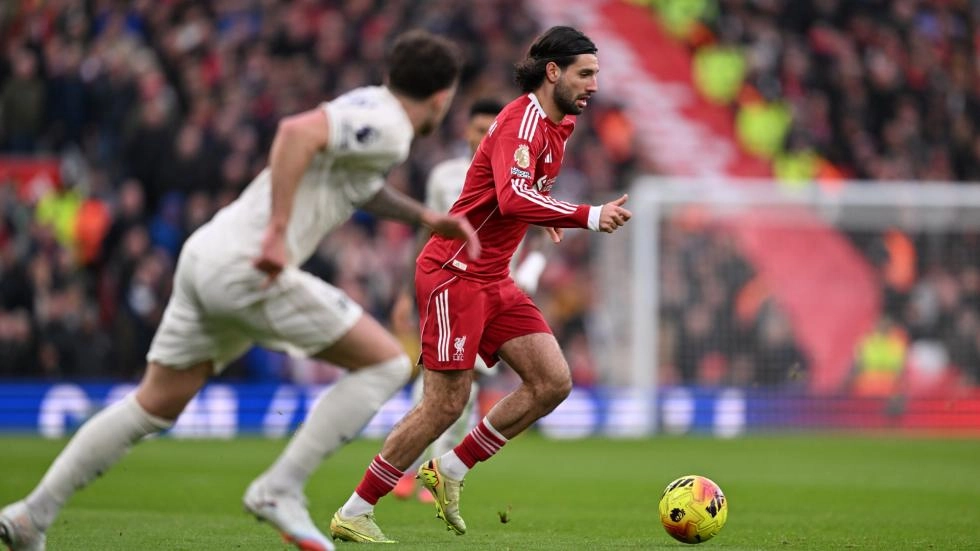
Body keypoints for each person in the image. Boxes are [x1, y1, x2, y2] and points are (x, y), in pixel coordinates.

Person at [0, 30, 477, 551]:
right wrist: (277, 231)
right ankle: (280, 488)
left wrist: (426, 217)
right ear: (442, 97)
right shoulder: (391, 128)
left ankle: (30, 515)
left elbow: (356, 184)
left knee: (154, 403)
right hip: (248, 267)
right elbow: (295, 132)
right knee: (385, 363)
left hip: (206, 255)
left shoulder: (369, 106)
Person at [329, 25, 631, 543]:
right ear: (553, 72)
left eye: (596, 74)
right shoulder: (521, 121)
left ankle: (450, 467)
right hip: (455, 273)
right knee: (444, 404)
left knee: (552, 382)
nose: (594, 85)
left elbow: (520, 195)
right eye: (585, 74)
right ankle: (355, 509)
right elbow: (512, 198)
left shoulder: (559, 124)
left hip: (493, 276)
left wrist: (546, 213)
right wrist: (586, 214)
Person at [389, 99, 550, 503]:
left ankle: (430, 468)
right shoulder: (445, 176)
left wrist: (530, 272)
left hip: (494, 289)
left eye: (492, 130)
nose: (485, 137)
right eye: (479, 130)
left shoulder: (521, 171)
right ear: (467, 132)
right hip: (447, 286)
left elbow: (538, 231)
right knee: (439, 381)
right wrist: (406, 293)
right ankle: (413, 469)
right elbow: (426, 233)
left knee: (464, 384)